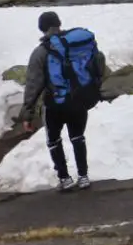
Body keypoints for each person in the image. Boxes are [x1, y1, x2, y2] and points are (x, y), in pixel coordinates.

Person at [21, 11, 106, 192]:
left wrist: (27, 113)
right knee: (77, 137)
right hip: (79, 100)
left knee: (53, 140)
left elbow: (33, 84)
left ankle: (65, 178)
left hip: (55, 103)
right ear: (59, 24)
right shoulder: (78, 43)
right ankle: (83, 176)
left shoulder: (41, 52)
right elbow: (97, 63)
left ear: (41, 28)